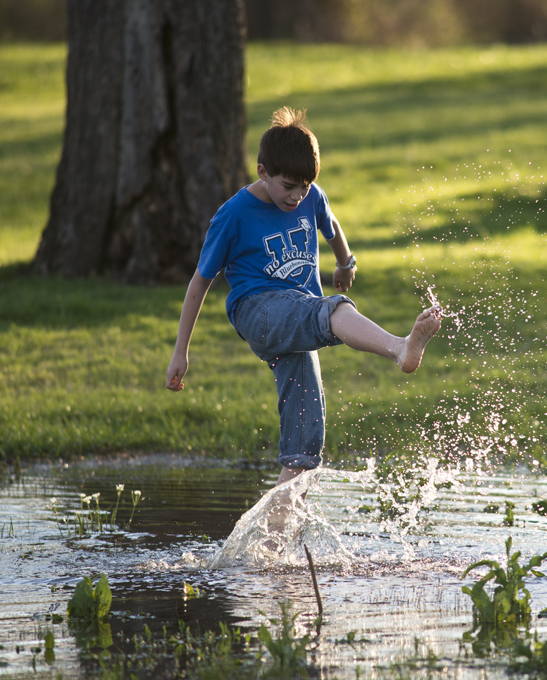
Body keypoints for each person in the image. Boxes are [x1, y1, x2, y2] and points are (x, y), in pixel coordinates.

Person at [166, 107, 442, 488]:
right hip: (258, 311)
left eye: (305, 187)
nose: (297, 197)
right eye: (287, 186)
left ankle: (273, 540)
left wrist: (346, 263)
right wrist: (181, 351)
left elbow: (331, 226)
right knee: (333, 309)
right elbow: (199, 283)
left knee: (305, 443)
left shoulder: (310, 197)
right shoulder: (233, 215)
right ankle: (399, 348)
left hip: (297, 314)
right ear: (263, 172)